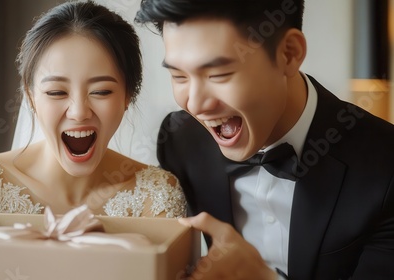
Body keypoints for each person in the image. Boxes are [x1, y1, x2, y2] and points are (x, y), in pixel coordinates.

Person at [135, 0, 394, 279]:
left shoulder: (386, 169)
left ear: (289, 53)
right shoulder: (179, 141)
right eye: (179, 76)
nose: (196, 104)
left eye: (219, 74)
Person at [0, 1, 186, 222]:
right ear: (31, 98)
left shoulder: (155, 194)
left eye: (101, 91)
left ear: (128, 96)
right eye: (56, 92)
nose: (79, 112)